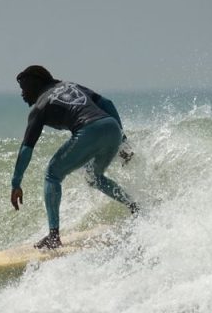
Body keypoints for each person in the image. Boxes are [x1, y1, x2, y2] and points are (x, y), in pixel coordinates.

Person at [9, 65, 138, 249]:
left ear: (35, 84)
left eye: (24, 88)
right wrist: (123, 140)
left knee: (52, 174)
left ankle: (53, 236)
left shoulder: (40, 107)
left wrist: (16, 183)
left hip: (88, 130)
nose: (22, 94)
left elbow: (26, 148)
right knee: (94, 177)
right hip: (112, 128)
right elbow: (107, 103)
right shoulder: (70, 86)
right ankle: (134, 206)